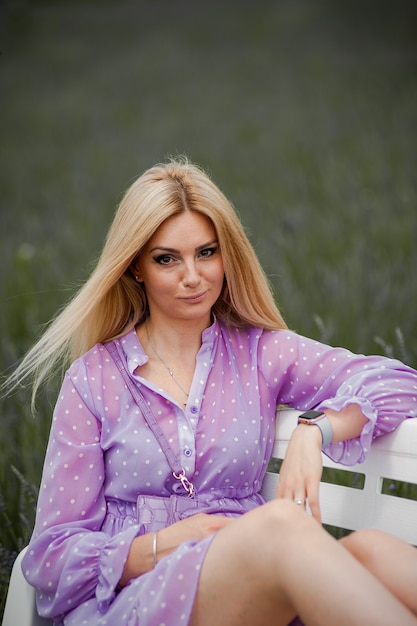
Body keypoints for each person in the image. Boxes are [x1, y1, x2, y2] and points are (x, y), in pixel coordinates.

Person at [4, 158, 417, 625]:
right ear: (136, 267)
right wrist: (164, 544)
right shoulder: (94, 378)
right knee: (281, 525)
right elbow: (51, 556)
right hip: (134, 600)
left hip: (249, 584)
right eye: (167, 259)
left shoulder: (259, 353)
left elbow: (398, 382)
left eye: (206, 252)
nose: (193, 276)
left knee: (372, 550)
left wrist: (315, 429)